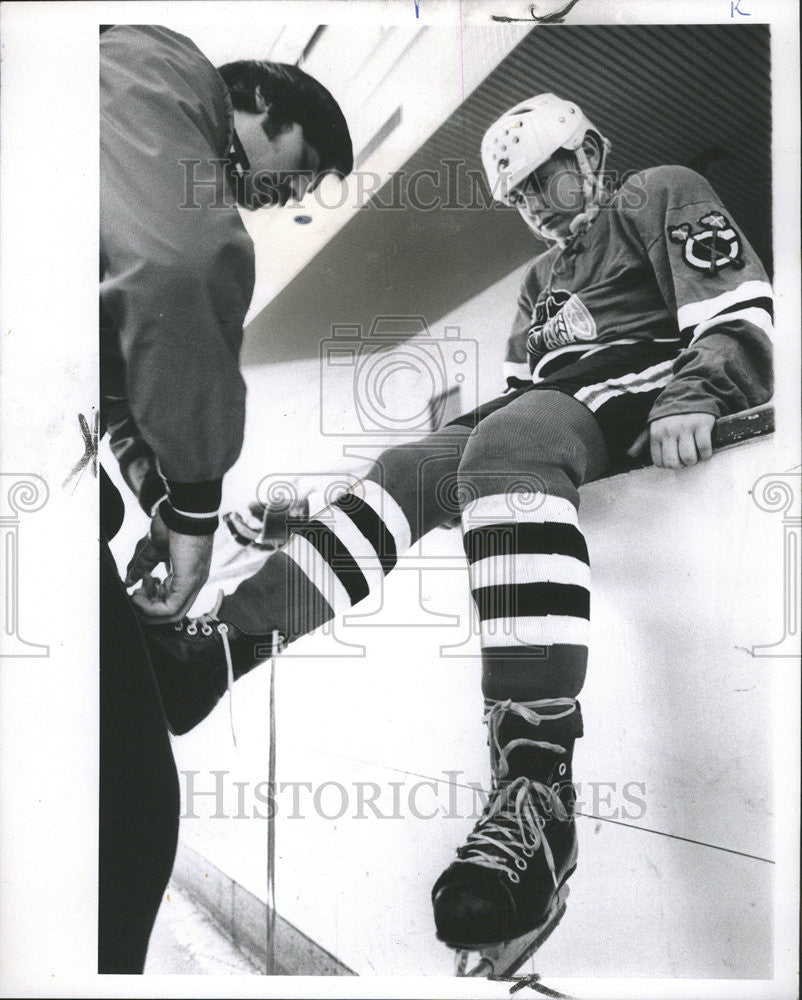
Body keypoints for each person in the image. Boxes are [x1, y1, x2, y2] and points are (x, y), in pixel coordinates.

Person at [142, 93, 773, 967]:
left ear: (591, 150)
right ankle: (220, 650)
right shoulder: (538, 283)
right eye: (518, 196)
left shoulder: (659, 190)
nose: (538, 205)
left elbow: (738, 307)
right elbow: (521, 397)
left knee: (507, 441)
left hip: (646, 382)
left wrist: (701, 394)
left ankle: (537, 785)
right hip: (556, 411)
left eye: (547, 176)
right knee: (409, 465)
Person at [99, 24, 352, 973]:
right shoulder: (158, 65)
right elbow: (177, 269)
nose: (288, 194)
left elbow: (118, 387)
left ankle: (183, 658)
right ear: (263, 108)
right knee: (125, 818)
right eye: (303, 165)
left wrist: (168, 496)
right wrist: (197, 509)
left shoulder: (111, 150)